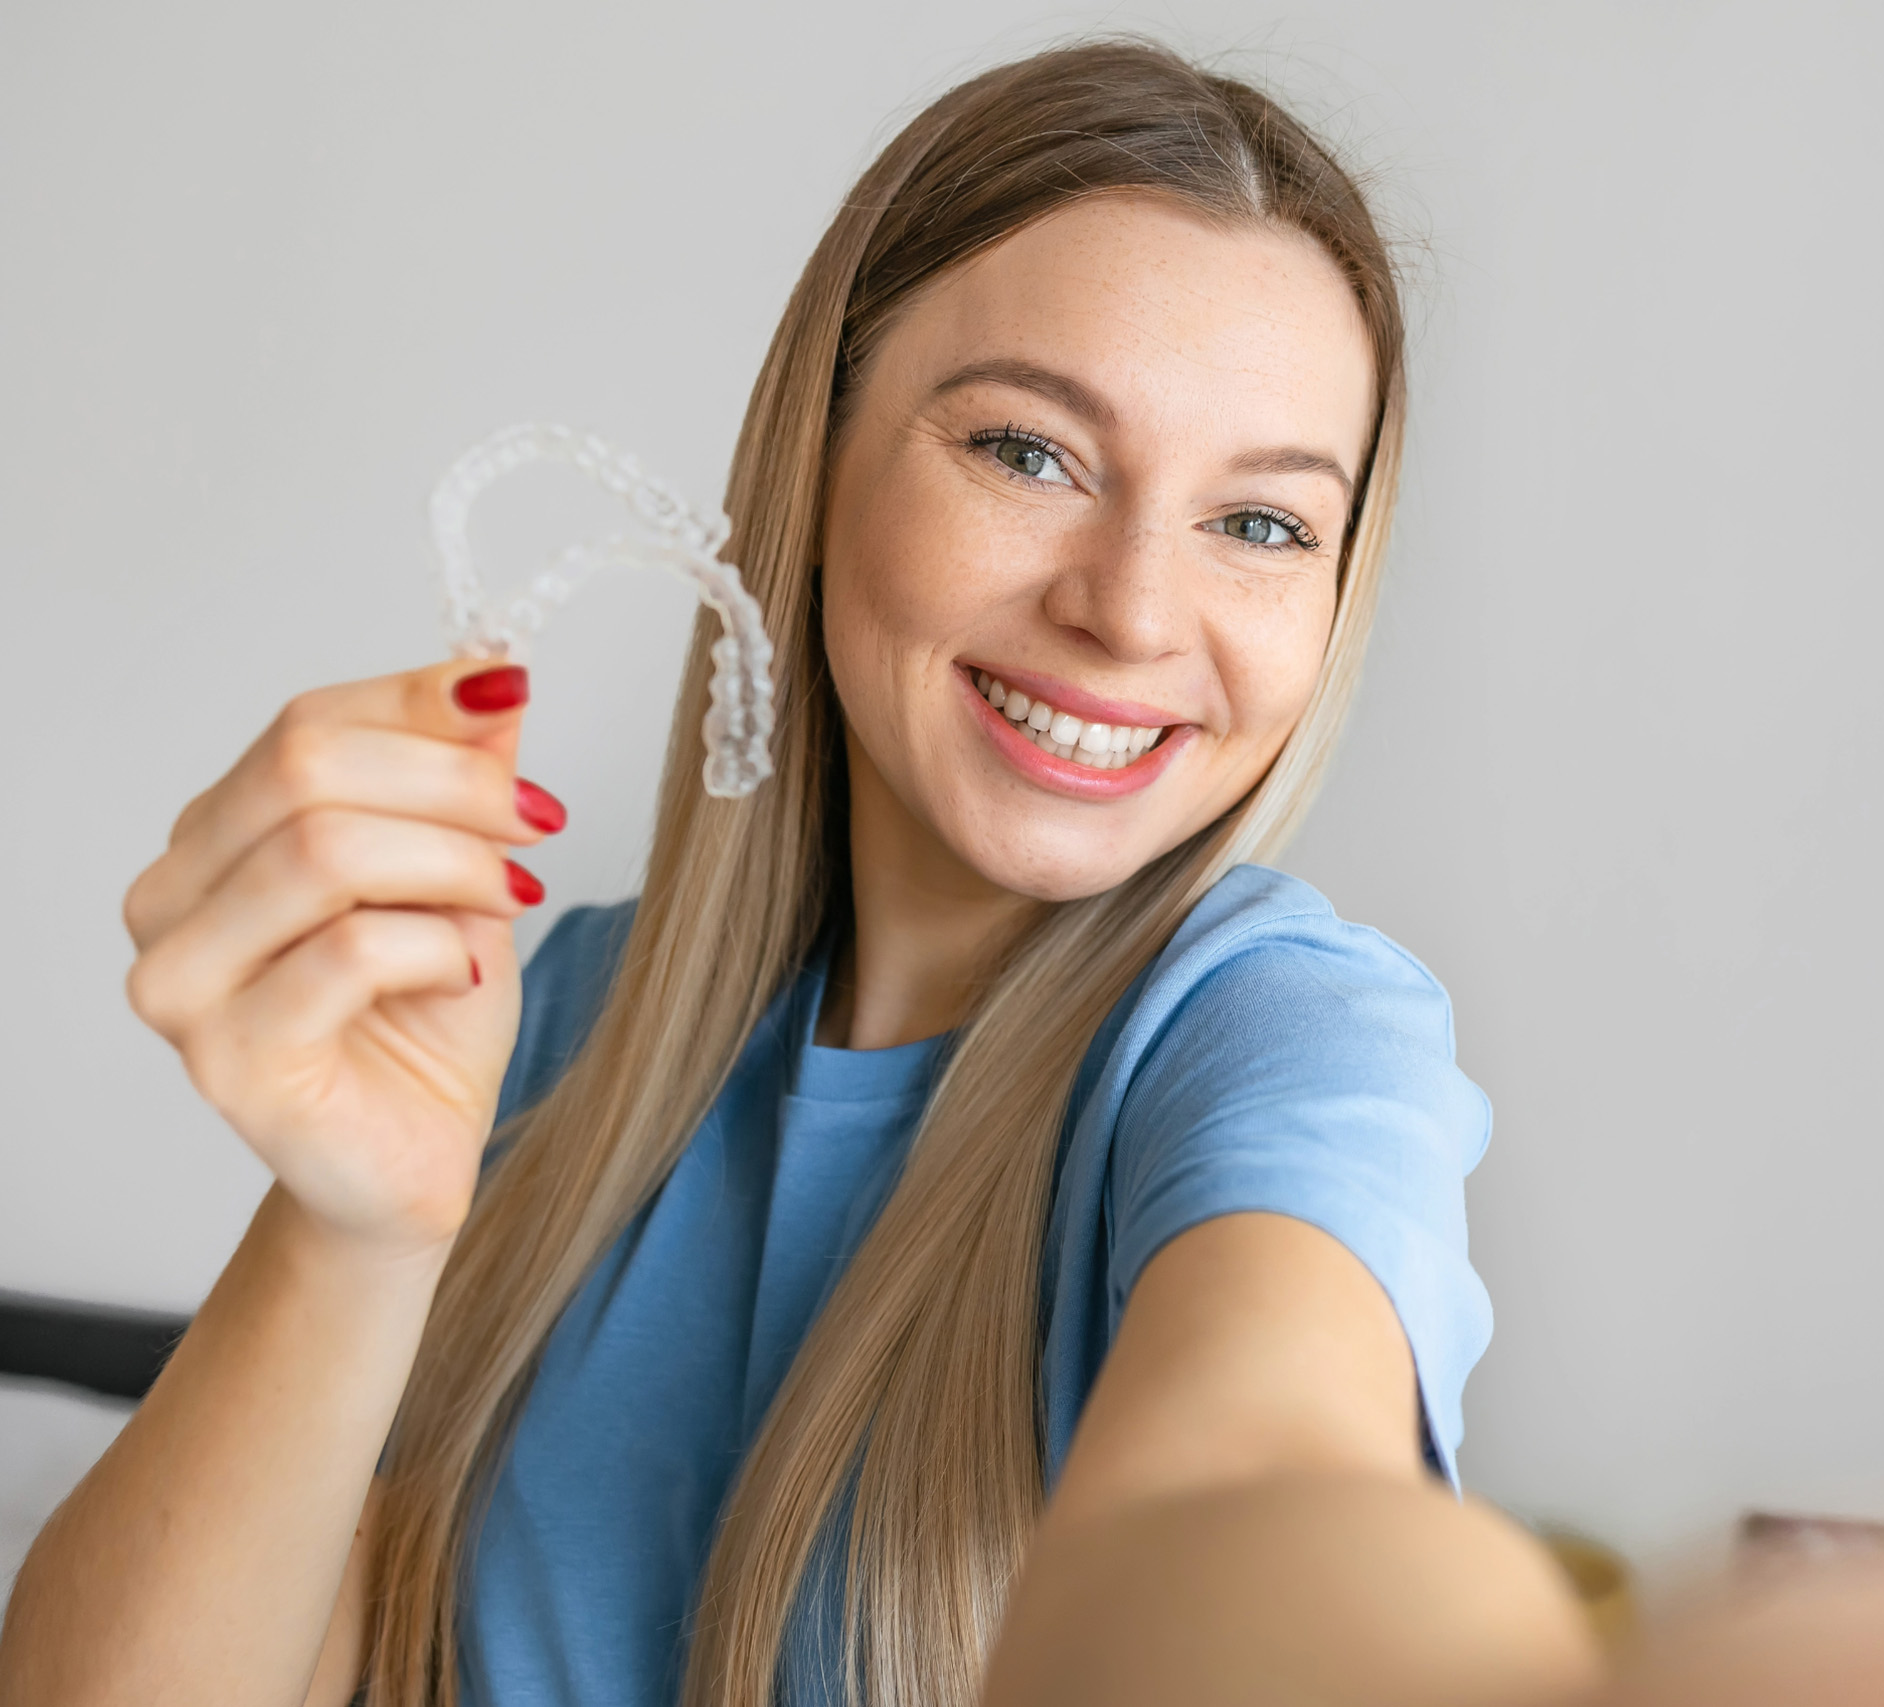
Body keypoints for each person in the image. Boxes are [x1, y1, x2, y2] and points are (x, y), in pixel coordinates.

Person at [0, 40, 1598, 1707]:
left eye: (1261, 526)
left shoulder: (1277, 1035)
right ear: (818, 463)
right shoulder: (536, 1029)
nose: (1129, 612)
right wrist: (354, 1232)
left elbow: (1268, 1495)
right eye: (1030, 452)